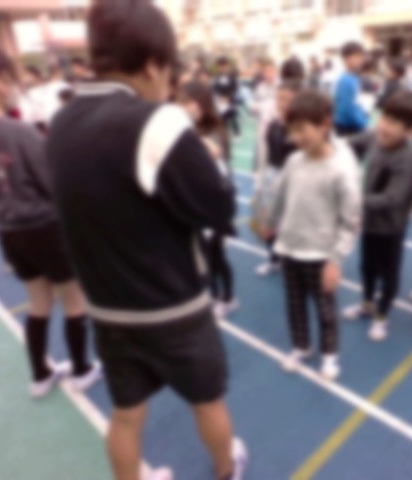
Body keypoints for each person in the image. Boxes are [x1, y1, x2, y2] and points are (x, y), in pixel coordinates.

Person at [46, 2, 248, 480]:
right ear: (154, 64)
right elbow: (217, 207)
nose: (170, 83)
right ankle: (227, 469)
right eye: (170, 70)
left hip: (108, 310)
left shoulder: (60, 123)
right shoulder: (156, 121)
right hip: (173, 307)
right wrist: (204, 158)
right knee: (207, 400)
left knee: (126, 415)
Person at [0, 43, 101, 399]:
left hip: (9, 233)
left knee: (38, 302)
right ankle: (81, 369)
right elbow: (53, 186)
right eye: (9, 76)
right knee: (74, 300)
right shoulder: (19, 133)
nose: (14, 84)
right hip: (45, 229)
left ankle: (40, 374)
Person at [265, 89, 361, 380]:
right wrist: (270, 221)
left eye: (302, 129)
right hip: (290, 247)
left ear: (325, 125)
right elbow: (280, 195)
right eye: (291, 130)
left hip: (320, 254)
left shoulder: (341, 171)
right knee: (294, 305)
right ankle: (301, 346)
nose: (296, 137)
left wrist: (335, 260)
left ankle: (330, 355)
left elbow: (349, 222)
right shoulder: (294, 161)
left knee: (325, 310)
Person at [343, 90, 412, 342]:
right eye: (384, 118)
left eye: (394, 123)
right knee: (367, 267)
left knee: (388, 273)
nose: (385, 127)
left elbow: (392, 198)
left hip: (390, 228)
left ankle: (382, 315)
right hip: (369, 224)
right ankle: (367, 304)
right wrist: (326, 144)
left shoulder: (406, 160)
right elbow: (349, 143)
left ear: (411, 131)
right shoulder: (374, 139)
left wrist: (354, 201)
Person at [178, 80, 239, 318]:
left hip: (215, 203)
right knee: (204, 256)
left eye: (189, 102)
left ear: (202, 104)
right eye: (181, 102)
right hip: (196, 202)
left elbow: (217, 162)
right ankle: (213, 296)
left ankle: (228, 297)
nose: (185, 107)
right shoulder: (185, 129)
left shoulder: (214, 131)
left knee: (216, 255)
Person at [254, 79, 301, 277]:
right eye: (280, 98)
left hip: (294, 180)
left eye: (288, 99)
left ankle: (292, 261)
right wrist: (260, 178)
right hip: (272, 176)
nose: (283, 103)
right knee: (268, 221)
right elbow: (266, 153)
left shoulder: (300, 128)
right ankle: (273, 259)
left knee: (291, 224)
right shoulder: (273, 124)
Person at [334, 41, 368, 137]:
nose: (360, 60)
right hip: (348, 129)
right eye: (356, 56)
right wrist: (365, 125)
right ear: (346, 59)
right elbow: (348, 110)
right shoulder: (346, 80)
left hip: (351, 125)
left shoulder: (353, 78)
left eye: (361, 56)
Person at [213, 57, 240, 137]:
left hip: (231, 100)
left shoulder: (232, 76)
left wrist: (228, 97)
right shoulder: (217, 77)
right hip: (221, 101)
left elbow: (235, 88)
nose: (222, 68)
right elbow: (215, 88)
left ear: (227, 66)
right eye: (220, 66)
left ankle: (237, 133)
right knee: (222, 117)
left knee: (233, 116)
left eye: (223, 66)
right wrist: (221, 97)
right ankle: (224, 134)